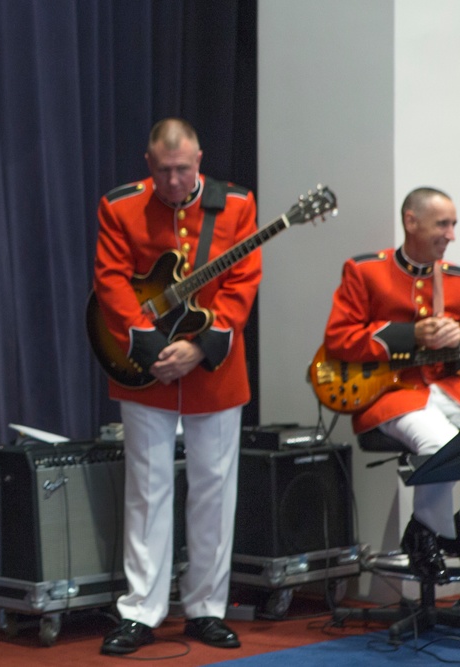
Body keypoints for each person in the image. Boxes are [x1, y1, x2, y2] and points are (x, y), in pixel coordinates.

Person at [92, 118, 260, 655]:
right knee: (148, 489)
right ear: (149, 164)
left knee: (214, 487)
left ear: (199, 160)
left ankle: (207, 608)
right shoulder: (121, 206)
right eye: (163, 171)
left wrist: (202, 345)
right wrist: (144, 342)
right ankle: (141, 610)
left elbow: (243, 278)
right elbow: (111, 277)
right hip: (148, 366)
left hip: (213, 367)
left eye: (183, 170)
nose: (173, 181)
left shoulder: (236, 204)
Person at [323, 186, 460, 583]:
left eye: (453, 224)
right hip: (390, 393)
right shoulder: (366, 271)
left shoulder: (454, 278)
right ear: (411, 222)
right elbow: (339, 338)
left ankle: (424, 532)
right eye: (442, 224)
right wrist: (412, 335)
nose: (451, 234)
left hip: (447, 388)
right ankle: (439, 534)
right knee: (442, 445)